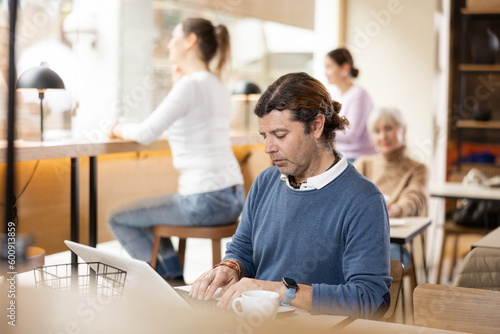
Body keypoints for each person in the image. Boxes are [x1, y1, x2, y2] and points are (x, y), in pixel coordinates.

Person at [189, 72, 391, 319]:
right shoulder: (266, 182)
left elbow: (368, 298)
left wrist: (281, 290)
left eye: (280, 135)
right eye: (265, 136)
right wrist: (231, 267)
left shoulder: (363, 200)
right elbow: (242, 252)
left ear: (316, 126)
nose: (268, 148)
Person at [107, 18, 245, 283]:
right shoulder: (216, 84)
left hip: (204, 199)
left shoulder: (190, 86)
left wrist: (115, 128)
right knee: (148, 215)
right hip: (233, 197)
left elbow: (145, 133)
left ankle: (160, 283)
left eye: (174, 36)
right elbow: (187, 124)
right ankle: (172, 277)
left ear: (191, 41)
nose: (169, 43)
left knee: (119, 217)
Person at [353, 107, 429, 266]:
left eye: (389, 128)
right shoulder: (363, 164)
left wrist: (396, 210)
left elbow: (415, 198)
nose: (383, 136)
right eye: (376, 131)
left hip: (394, 243)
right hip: (358, 239)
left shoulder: (418, 169)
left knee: (372, 263)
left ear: (403, 130)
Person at [324, 48, 375, 163]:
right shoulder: (334, 95)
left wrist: (321, 130)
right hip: (341, 156)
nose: (325, 72)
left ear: (345, 68)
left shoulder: (359, 94)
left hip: (360, 159)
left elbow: (351, 136)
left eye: (329, 67)